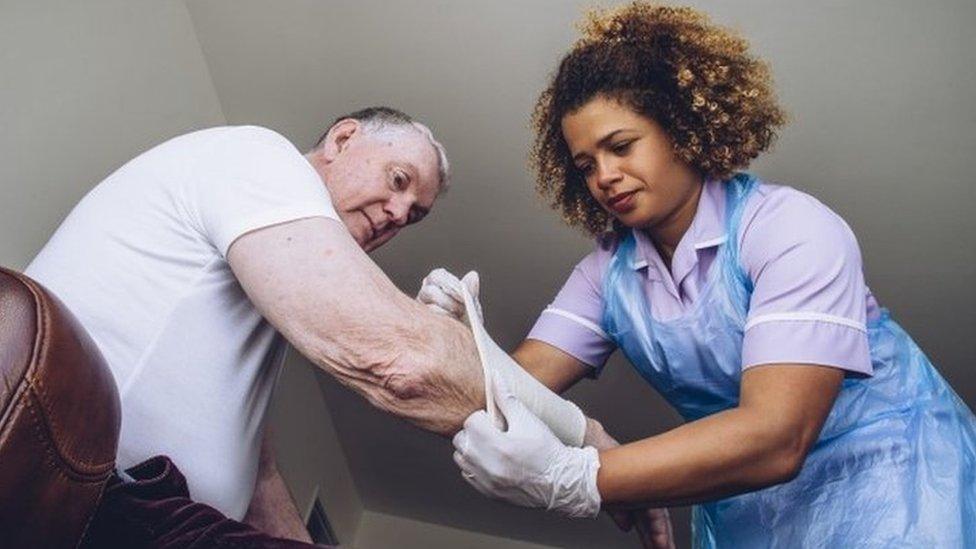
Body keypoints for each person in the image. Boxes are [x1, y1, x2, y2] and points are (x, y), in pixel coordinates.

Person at [428, 3, 976, 547]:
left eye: (620, 146)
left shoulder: (790, 227)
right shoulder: (605, 275)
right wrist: (460, 340)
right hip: (747, 509)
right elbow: (513, 388)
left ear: (682, 128)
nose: (605, 176)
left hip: (895, 479)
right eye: (586, 165)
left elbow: (777, 437)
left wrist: (579, 478)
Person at [27, 107, 506, 546]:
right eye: (399, 180)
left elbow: (259, 471)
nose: (399, 214)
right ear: (341, 139)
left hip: (160, 513)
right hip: (87, 489)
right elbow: (399, 363)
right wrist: (561, 459)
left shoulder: (269, 288)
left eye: (414, 216)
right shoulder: (262, 156)